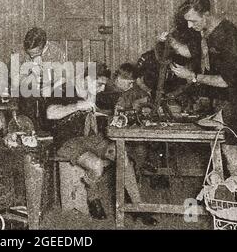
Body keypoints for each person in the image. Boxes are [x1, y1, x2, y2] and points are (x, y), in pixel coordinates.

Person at [46, 62, 158, 225]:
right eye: (98, 84)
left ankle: (137, 207)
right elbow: (50, 113)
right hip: (68, 141)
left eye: (102, 85)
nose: (100, 89)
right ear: (86, 78)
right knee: (96, 166)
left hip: (91, 138)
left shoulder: (96, 91)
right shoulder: (65, 89)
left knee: (122, 156)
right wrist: (77, 105)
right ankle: (93, 197)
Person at [167, 0, 237, 187]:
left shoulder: (228, 36)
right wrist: (171, 41)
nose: (190, 26)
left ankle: (236, 198)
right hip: (223, 97)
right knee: (225, 144)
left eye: (193, 20)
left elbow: (226, 81)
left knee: (230, 146)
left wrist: (191, 76)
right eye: (187, 21)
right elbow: (190, 52)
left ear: (207, 14)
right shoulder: (206, 31)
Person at [14, 27, 67, 131]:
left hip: (52, 86)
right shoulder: (19, 50)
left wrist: (51, 88)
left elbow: (64, 77)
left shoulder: (57, 51)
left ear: (45, 45)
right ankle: (29, 132)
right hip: (28, 88)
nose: (32, 56)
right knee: (26, 97)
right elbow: (15, 80)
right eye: (29, 53)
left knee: (57, 97)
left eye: (35, 53)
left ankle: (49, 132)